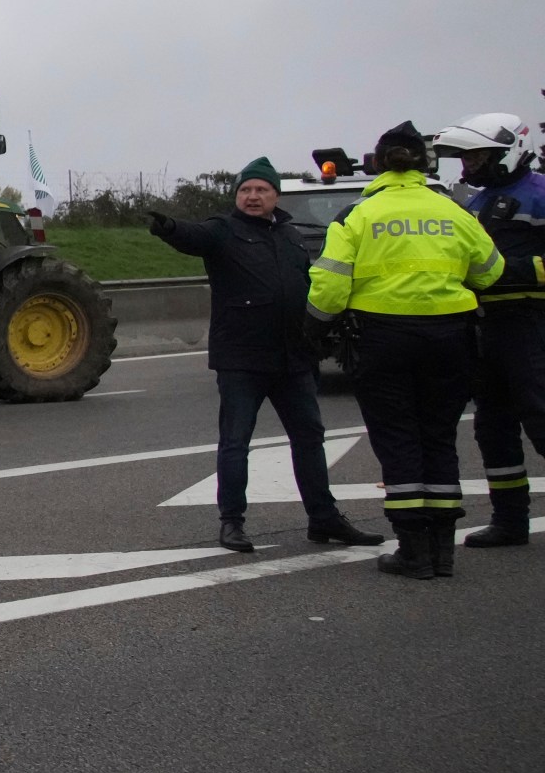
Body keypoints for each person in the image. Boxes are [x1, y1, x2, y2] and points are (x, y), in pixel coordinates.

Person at [306, 122, 505, 578]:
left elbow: (330, 287)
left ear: (379, 162)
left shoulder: (358, 214)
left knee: (398, 440)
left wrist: (313, 326)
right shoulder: (453, 212)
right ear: (423, 162)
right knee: (439, 437)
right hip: (449, 339)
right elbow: (491, 273)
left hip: (383, 341)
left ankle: (413, 550)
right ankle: (442, 551)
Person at [150, 158, 378, 552]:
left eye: (261, 190)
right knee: (236, 441)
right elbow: (193, 236)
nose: (252, 197)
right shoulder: (223, 230)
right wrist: (169, 228)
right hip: (243, 358)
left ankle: (323, 518)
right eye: (245, 190)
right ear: (236, 196)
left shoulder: (289, 235)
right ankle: (232, 523)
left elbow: (309, 286)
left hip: (294, 359)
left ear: (276, 195)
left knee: (309, 438)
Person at [431, 112, 545, 547]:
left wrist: (509, 272)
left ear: (508, 150)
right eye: (466, 157)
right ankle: (510, 520)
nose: (469, 165)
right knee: (493, 427)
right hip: (484, 328)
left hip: (530, 325)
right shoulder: (474, 203)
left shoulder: (539, 193)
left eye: (477, 156)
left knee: (541, 419)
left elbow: (500, 268)